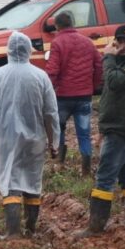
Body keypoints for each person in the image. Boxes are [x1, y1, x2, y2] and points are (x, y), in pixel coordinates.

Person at [0, 31, 60, 238]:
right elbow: (51, 113)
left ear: (7, 50)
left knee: (10, 180)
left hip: (6, 139)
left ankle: (13, 232)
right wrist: (54, 141)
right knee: (33, 181)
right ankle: (30, 229)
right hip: (35, 138)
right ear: (28, 51)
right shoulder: (40, 76)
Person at [84, 24, 125, 235]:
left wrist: (108, 57)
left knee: (105, 177)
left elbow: (114, 82)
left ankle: (95, 227)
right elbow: (109, 96)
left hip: (122, 127)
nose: (123, 46)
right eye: (119, 41)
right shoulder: (123, 62)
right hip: (119, 125)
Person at [45, 10, 103, 176]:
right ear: (72, 23)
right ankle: (85, 169)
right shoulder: (87, 42)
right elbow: (99, 65)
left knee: (60, 129)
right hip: (84, 95)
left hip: (63, 96)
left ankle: (60, 163)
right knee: (84, 134)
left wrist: (50, 91)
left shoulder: (57, 43)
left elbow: (53, 71)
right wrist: (93, 85)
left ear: (57, 26)